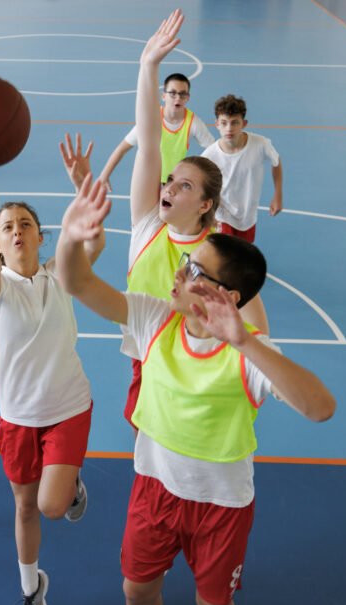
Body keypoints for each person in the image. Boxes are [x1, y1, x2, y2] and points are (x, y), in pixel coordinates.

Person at [57, 171, 335, 605]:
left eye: (194, 270)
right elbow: (75, 283)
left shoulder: (249, 351)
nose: (180, 274)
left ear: (225, 295)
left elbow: (320, 408)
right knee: (136, 590)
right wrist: (71, 238)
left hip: (221, 506)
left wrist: (247, 342)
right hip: (154, 491)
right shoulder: (154, 318)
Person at [0, 134, 103, 605]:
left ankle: (70, 481)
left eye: (26, 225)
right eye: (7, 227)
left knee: (51, 506)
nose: (17, 231)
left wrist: (83, 182)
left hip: (68, 406)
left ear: (41, 236)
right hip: (18, 417)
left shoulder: (62, 275)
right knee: (22, 505)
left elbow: (94, 241)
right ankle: (32, 589)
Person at [118, 13, 268, 432]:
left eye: (183, 186)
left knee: (183, 430)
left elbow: (257, 321)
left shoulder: (221, 250)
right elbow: (148, 143)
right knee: (140, 425)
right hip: (146, 345)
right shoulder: (148, 223)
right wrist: (147, 68)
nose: (167, 187)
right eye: (170, 180)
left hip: (195, 351)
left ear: (205, 204)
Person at [98, 73, 215, 189]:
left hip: (174, 183)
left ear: (188, 98)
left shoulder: (193, 122)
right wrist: (104, 175)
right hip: (148, 178)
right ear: (164, 96)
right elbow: (122, 148)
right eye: (173, 93)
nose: (178, 98)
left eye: (182, 94)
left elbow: (214, 149)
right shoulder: (151, 119)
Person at [200, 94, 283, 243]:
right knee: (225, 256)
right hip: (222, 214)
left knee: (242, 255)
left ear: (244, 123)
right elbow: (201, 185)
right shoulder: (209, 155)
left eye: (234, 123)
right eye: (224, 123)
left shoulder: (260, 144)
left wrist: (278, 194)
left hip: (247, 215)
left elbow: (276, 162)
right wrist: (209, 213)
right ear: (216, 124)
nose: (229, 128)